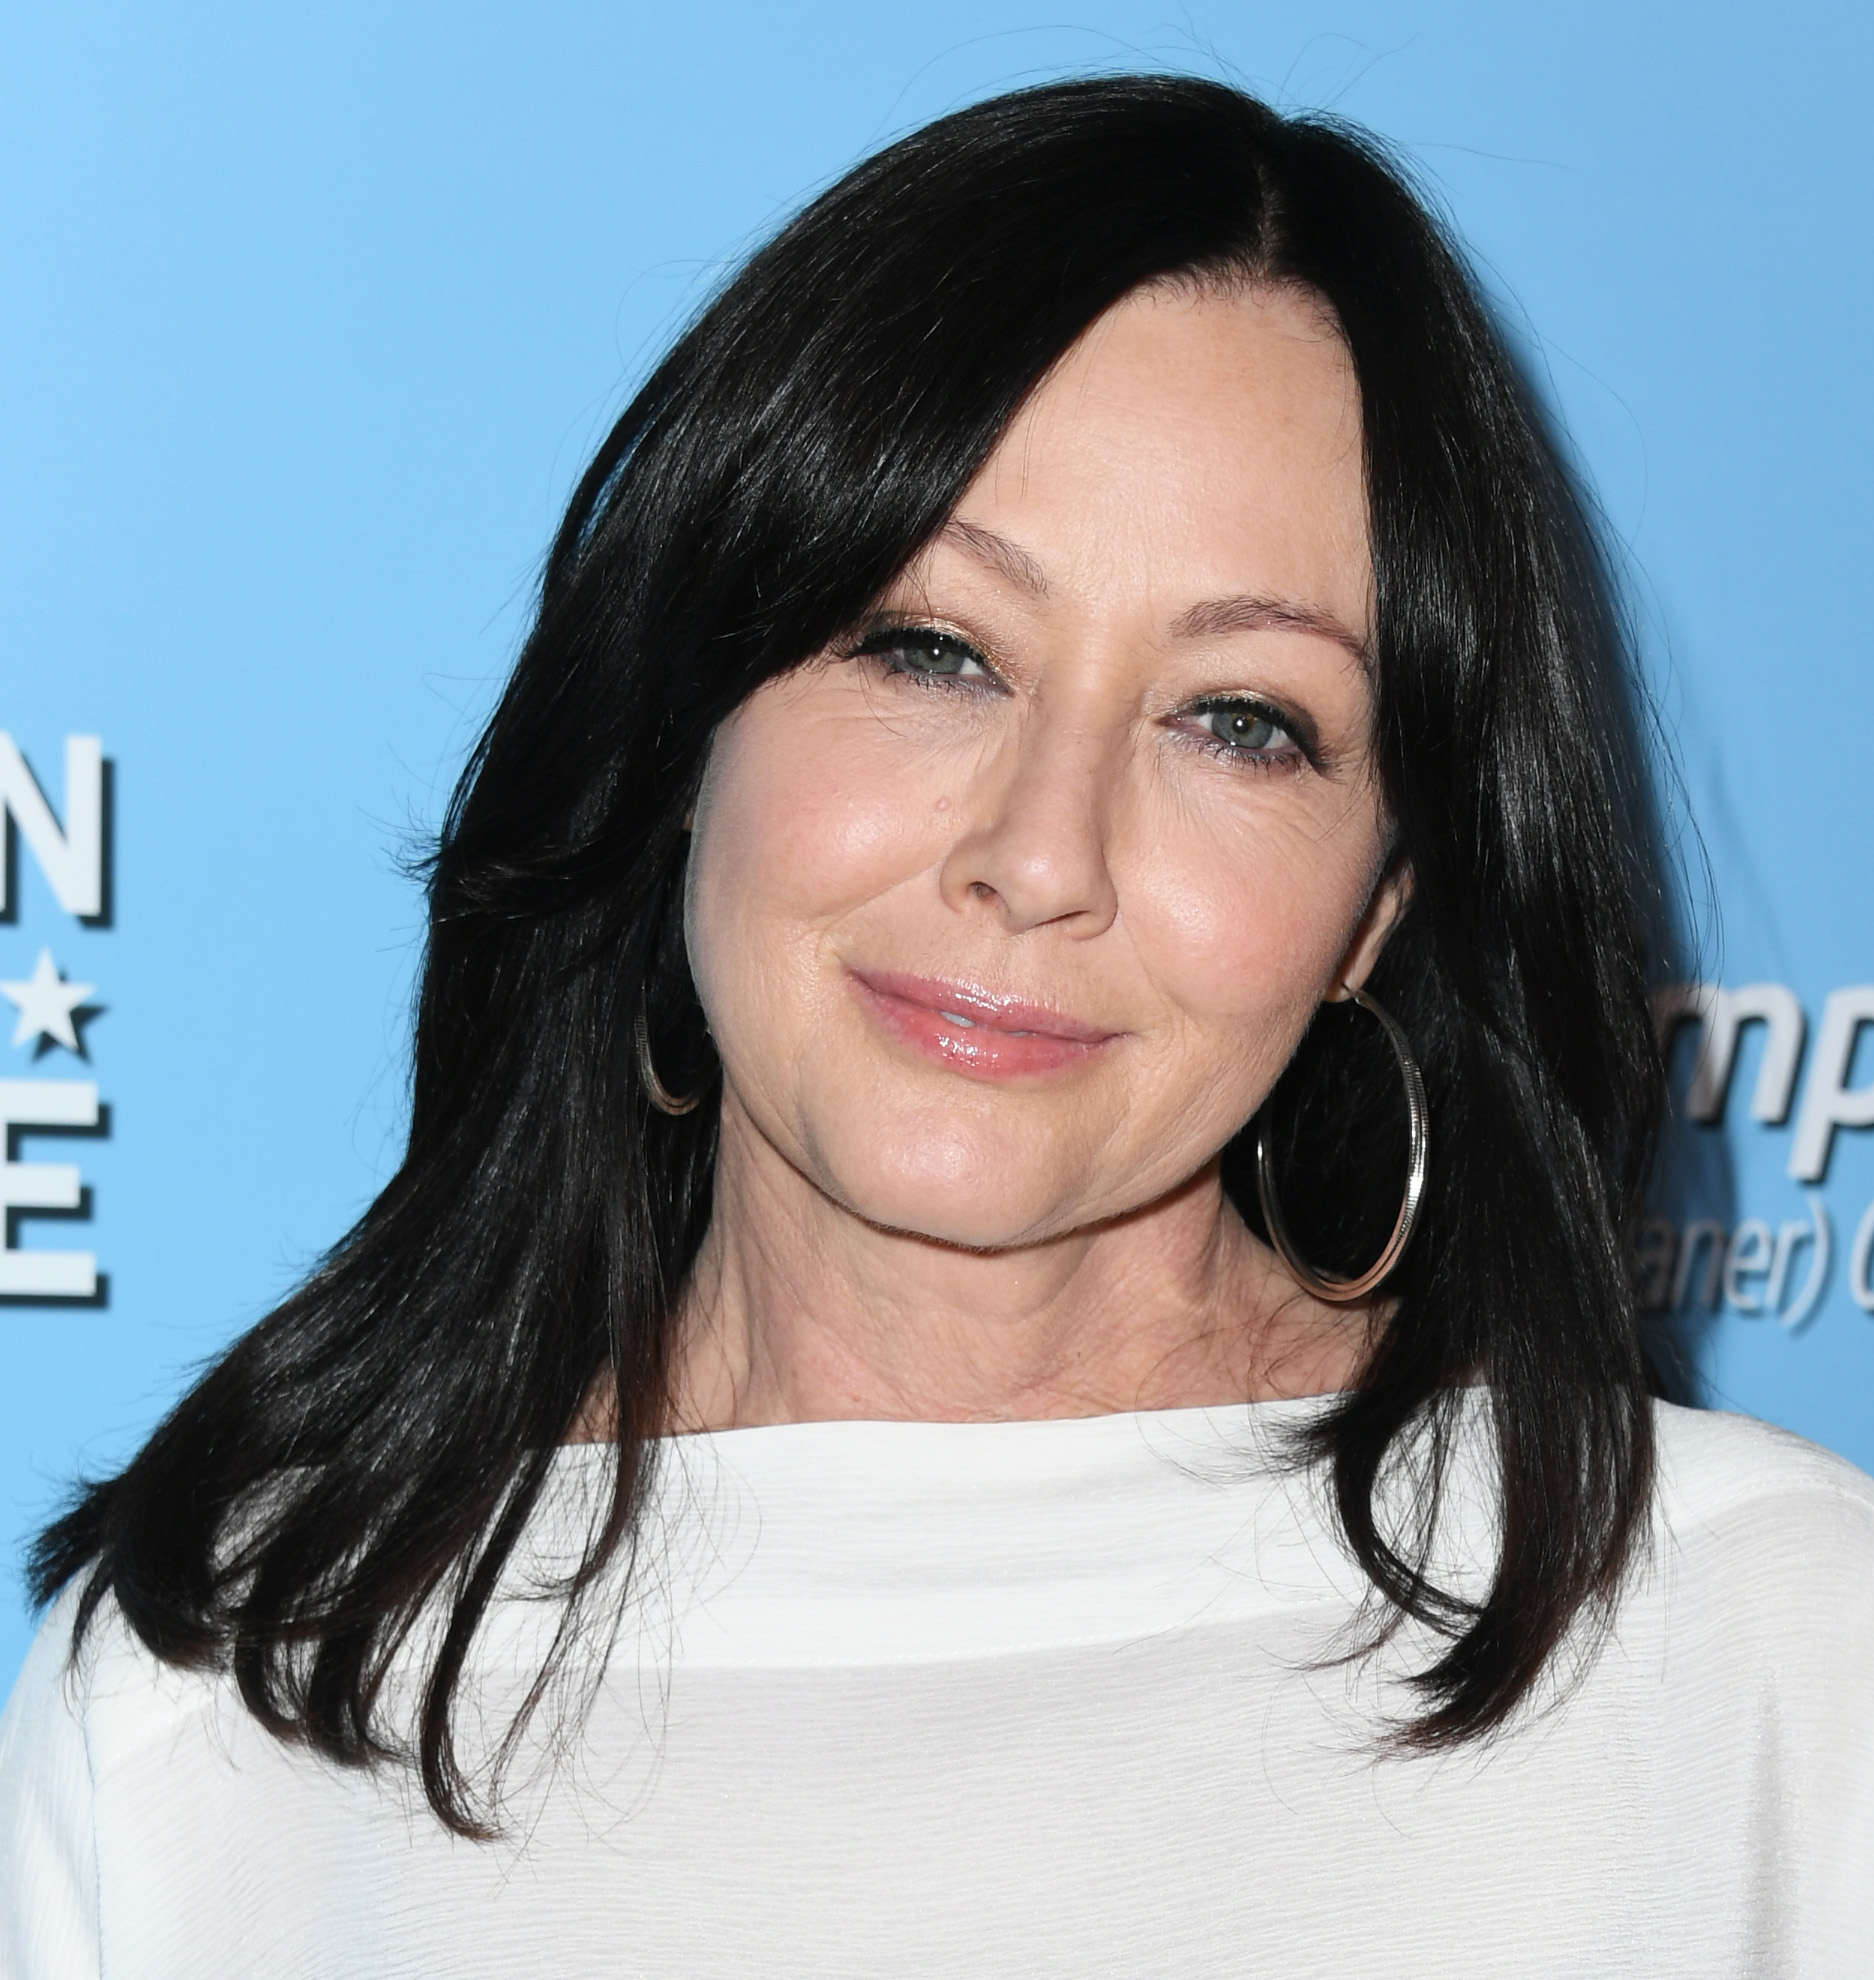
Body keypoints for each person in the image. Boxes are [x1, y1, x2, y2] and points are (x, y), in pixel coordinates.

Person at [1, 73, 1869, 1978]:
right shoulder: (226, 1698)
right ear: (684, 728)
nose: (1039, 854)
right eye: (933, 650)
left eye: (1240, 720)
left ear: (1380, 902)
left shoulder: (1755, 1657)